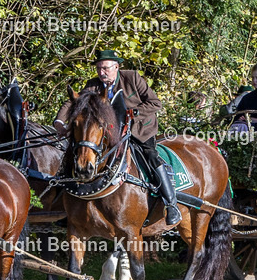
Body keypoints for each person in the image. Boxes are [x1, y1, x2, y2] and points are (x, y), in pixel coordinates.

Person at [55, 49, 181, 226]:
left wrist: (134, 112)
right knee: (74, 153)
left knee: (150, 156)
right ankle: (68, 207)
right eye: (99, 68)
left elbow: (155, 103)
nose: (101, 72)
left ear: (116, 67)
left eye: (105, 68)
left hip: (139, 129)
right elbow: (72, 102)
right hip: (110, 133)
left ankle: (171, 203)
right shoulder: (93, 85)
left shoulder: (133, 78)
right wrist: (59, 121)